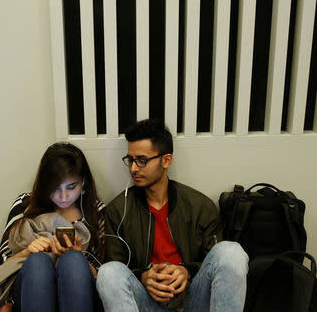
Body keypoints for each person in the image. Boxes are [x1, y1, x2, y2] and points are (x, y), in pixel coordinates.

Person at [96, 118, 249, 312]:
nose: (133, 168)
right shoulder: (118, 210)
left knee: (231, 252)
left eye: (142, 160)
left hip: (192, 301)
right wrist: (143, 276)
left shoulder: (200, 207)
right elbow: (117, 265)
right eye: (130, 160)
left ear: (166, 160)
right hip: (146, 303)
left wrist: (187, 271)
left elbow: (214, 265)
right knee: (108, 272)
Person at [0, 142, 105, 312]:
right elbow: (0, 267)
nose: (63, 196)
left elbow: (105, 275)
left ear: (83, 182)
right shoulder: (24, 206)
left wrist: (78, 254)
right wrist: (28, 251)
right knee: (39, 261)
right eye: (55, 188)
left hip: (82, 293)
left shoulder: (96, 211)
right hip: (29, 290)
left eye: (71, 187)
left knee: (73, 261)